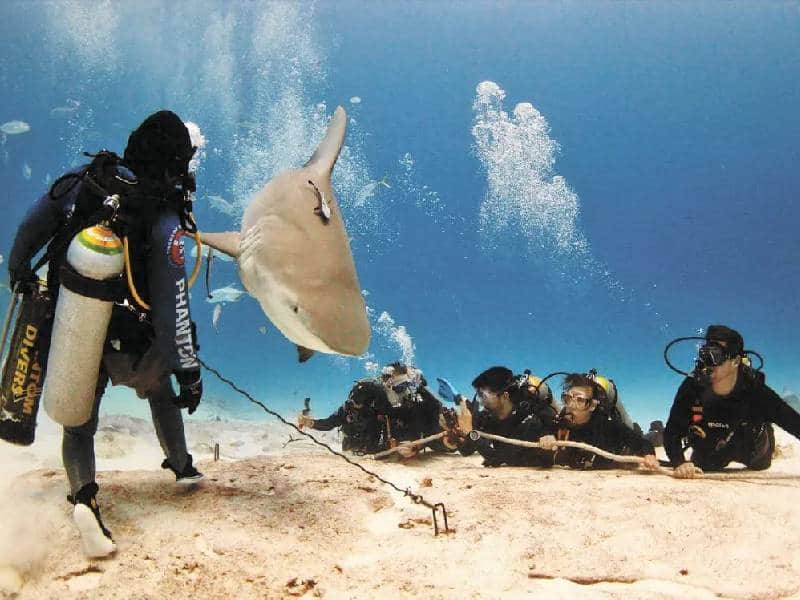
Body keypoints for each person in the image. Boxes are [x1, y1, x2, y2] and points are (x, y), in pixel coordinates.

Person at [7, 110, 204, 558]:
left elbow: (27, 232)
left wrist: (17, 273)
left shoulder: (83, 180)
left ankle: (83, 497)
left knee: (79, 423)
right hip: (138, 346)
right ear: (176, 164)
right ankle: (181, 465)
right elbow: (174, 308)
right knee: (161, 390)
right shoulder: (165, 217)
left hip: (77, 328)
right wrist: (189, 373)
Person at [663, 325, 800, 479]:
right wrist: (678, 461)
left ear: (735, 361)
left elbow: (792, 421)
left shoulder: (753, 389)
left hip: (750, 445)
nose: (708, 362)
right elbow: (672, 431)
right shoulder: (693, 386)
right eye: (704, 354)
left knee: (760, 463)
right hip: (714, 445)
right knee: (703, 463)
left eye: (715, 355)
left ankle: (769, 436)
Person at [538, 373, 659, 470]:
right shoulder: (558, 425)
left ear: (592, 405)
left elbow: (642, 443)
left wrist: (649, 454)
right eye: (568, 398)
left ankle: (657, 431)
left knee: (647, 435)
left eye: (580, 400)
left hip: (626, 447)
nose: (571, 404)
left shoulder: (608, 426)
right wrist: (545, 441)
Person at [443, 366, 556, 467]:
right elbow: (467, 450)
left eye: (483, 396)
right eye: (479, 395)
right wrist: (456, 435)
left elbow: (498, 458)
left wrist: (470, 433)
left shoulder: (528, 419)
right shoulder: (489, 416)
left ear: (504, 396)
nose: (481, 402)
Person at [298, 379, 393, 454]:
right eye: (353, 399)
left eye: (358, 401)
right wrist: (310, 423)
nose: (353, 403)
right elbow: (329, 423)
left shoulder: (380, 413)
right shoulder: (347, 409)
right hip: (351, 448)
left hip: (376, 450)